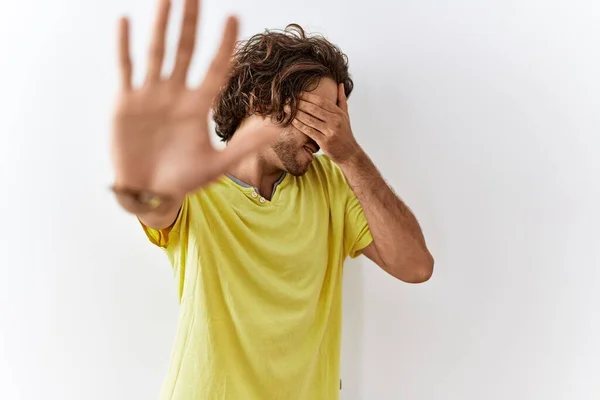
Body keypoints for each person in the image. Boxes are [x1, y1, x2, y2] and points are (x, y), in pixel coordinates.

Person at [110, 0, 434, 398]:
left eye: (339, 116)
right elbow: (153, 206)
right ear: (261, 99)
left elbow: (416, 266)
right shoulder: (194, 183)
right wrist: (137, 178)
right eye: (319, 113)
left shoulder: (333, 182)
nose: (328, 132)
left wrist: (351, 156)